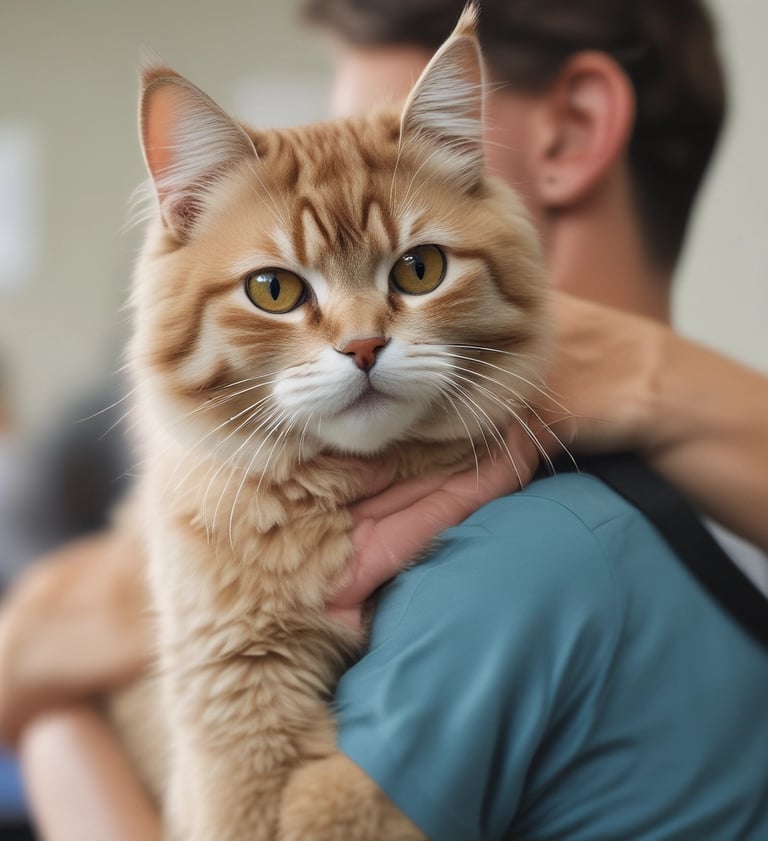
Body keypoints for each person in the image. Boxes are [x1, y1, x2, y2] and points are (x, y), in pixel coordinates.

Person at [2, 0, 768, 838]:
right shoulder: (709, 504)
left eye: (420, 262)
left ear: (570, 132)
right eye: (281, 286)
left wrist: (51, 723)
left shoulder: (531, 556)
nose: (362, 339)